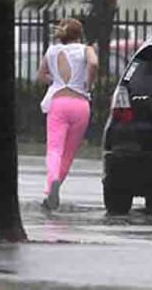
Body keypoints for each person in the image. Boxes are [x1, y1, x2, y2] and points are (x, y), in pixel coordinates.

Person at [37, 18, 98, 210]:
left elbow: (40, 75)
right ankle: (51, 191)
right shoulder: (86, 49)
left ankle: (52, 181)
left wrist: (55, 80)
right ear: (79, 34)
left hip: (59, 103)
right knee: (69, 153)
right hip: (80, 105)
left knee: (54, 149)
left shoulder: (52, 51)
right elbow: (94, 64)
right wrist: (88, 82)